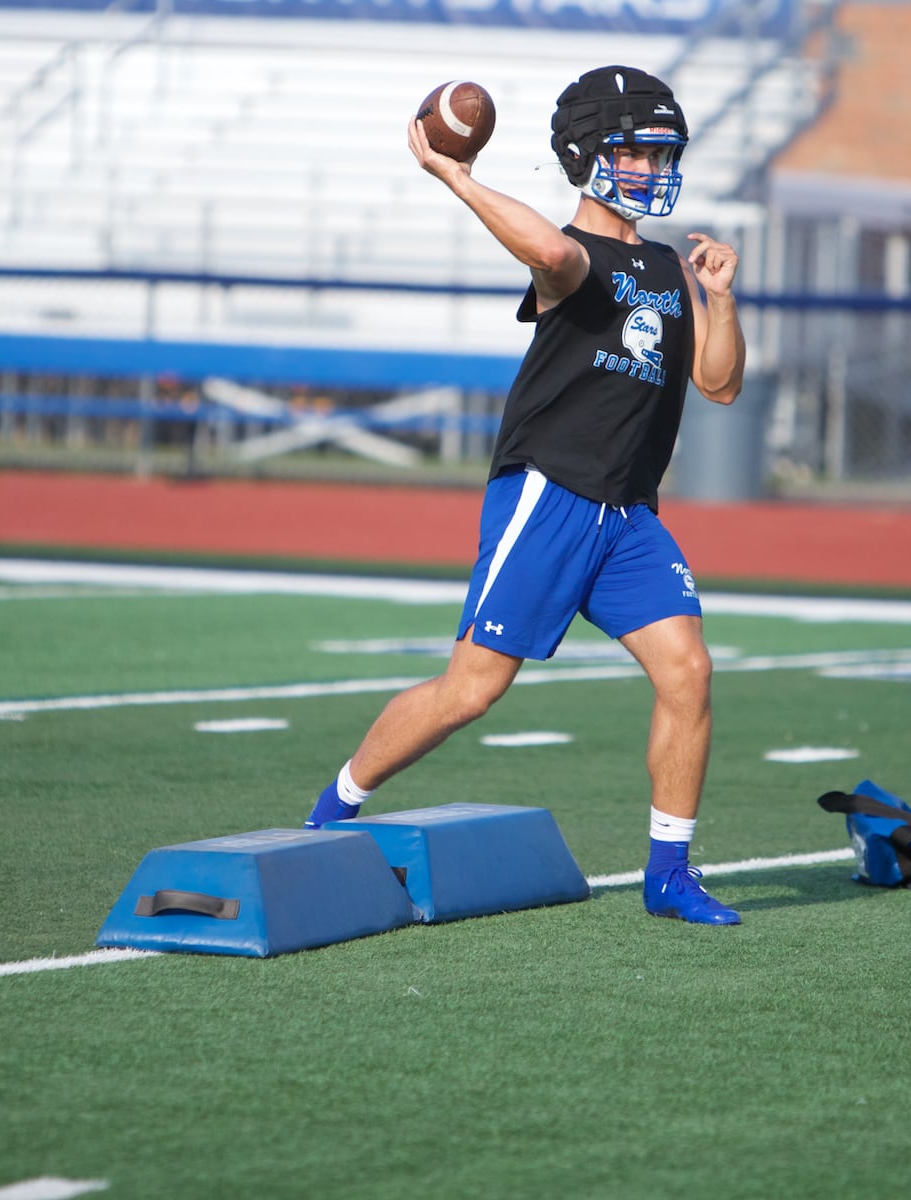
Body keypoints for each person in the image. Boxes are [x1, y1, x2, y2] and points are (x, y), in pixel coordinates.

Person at [303, 65, 748, 926]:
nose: (655, 170)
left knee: (688, 672)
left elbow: (720, 386)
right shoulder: (569, 256)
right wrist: (456, 175)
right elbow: (550, 251)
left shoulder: (665, 265)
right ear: (588, 155)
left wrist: (719, 301)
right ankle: (333, 809)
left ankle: (668, 873)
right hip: (550, 498)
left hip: (630, 517)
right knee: (471, 691)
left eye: (664, 154)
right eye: (637, 152)